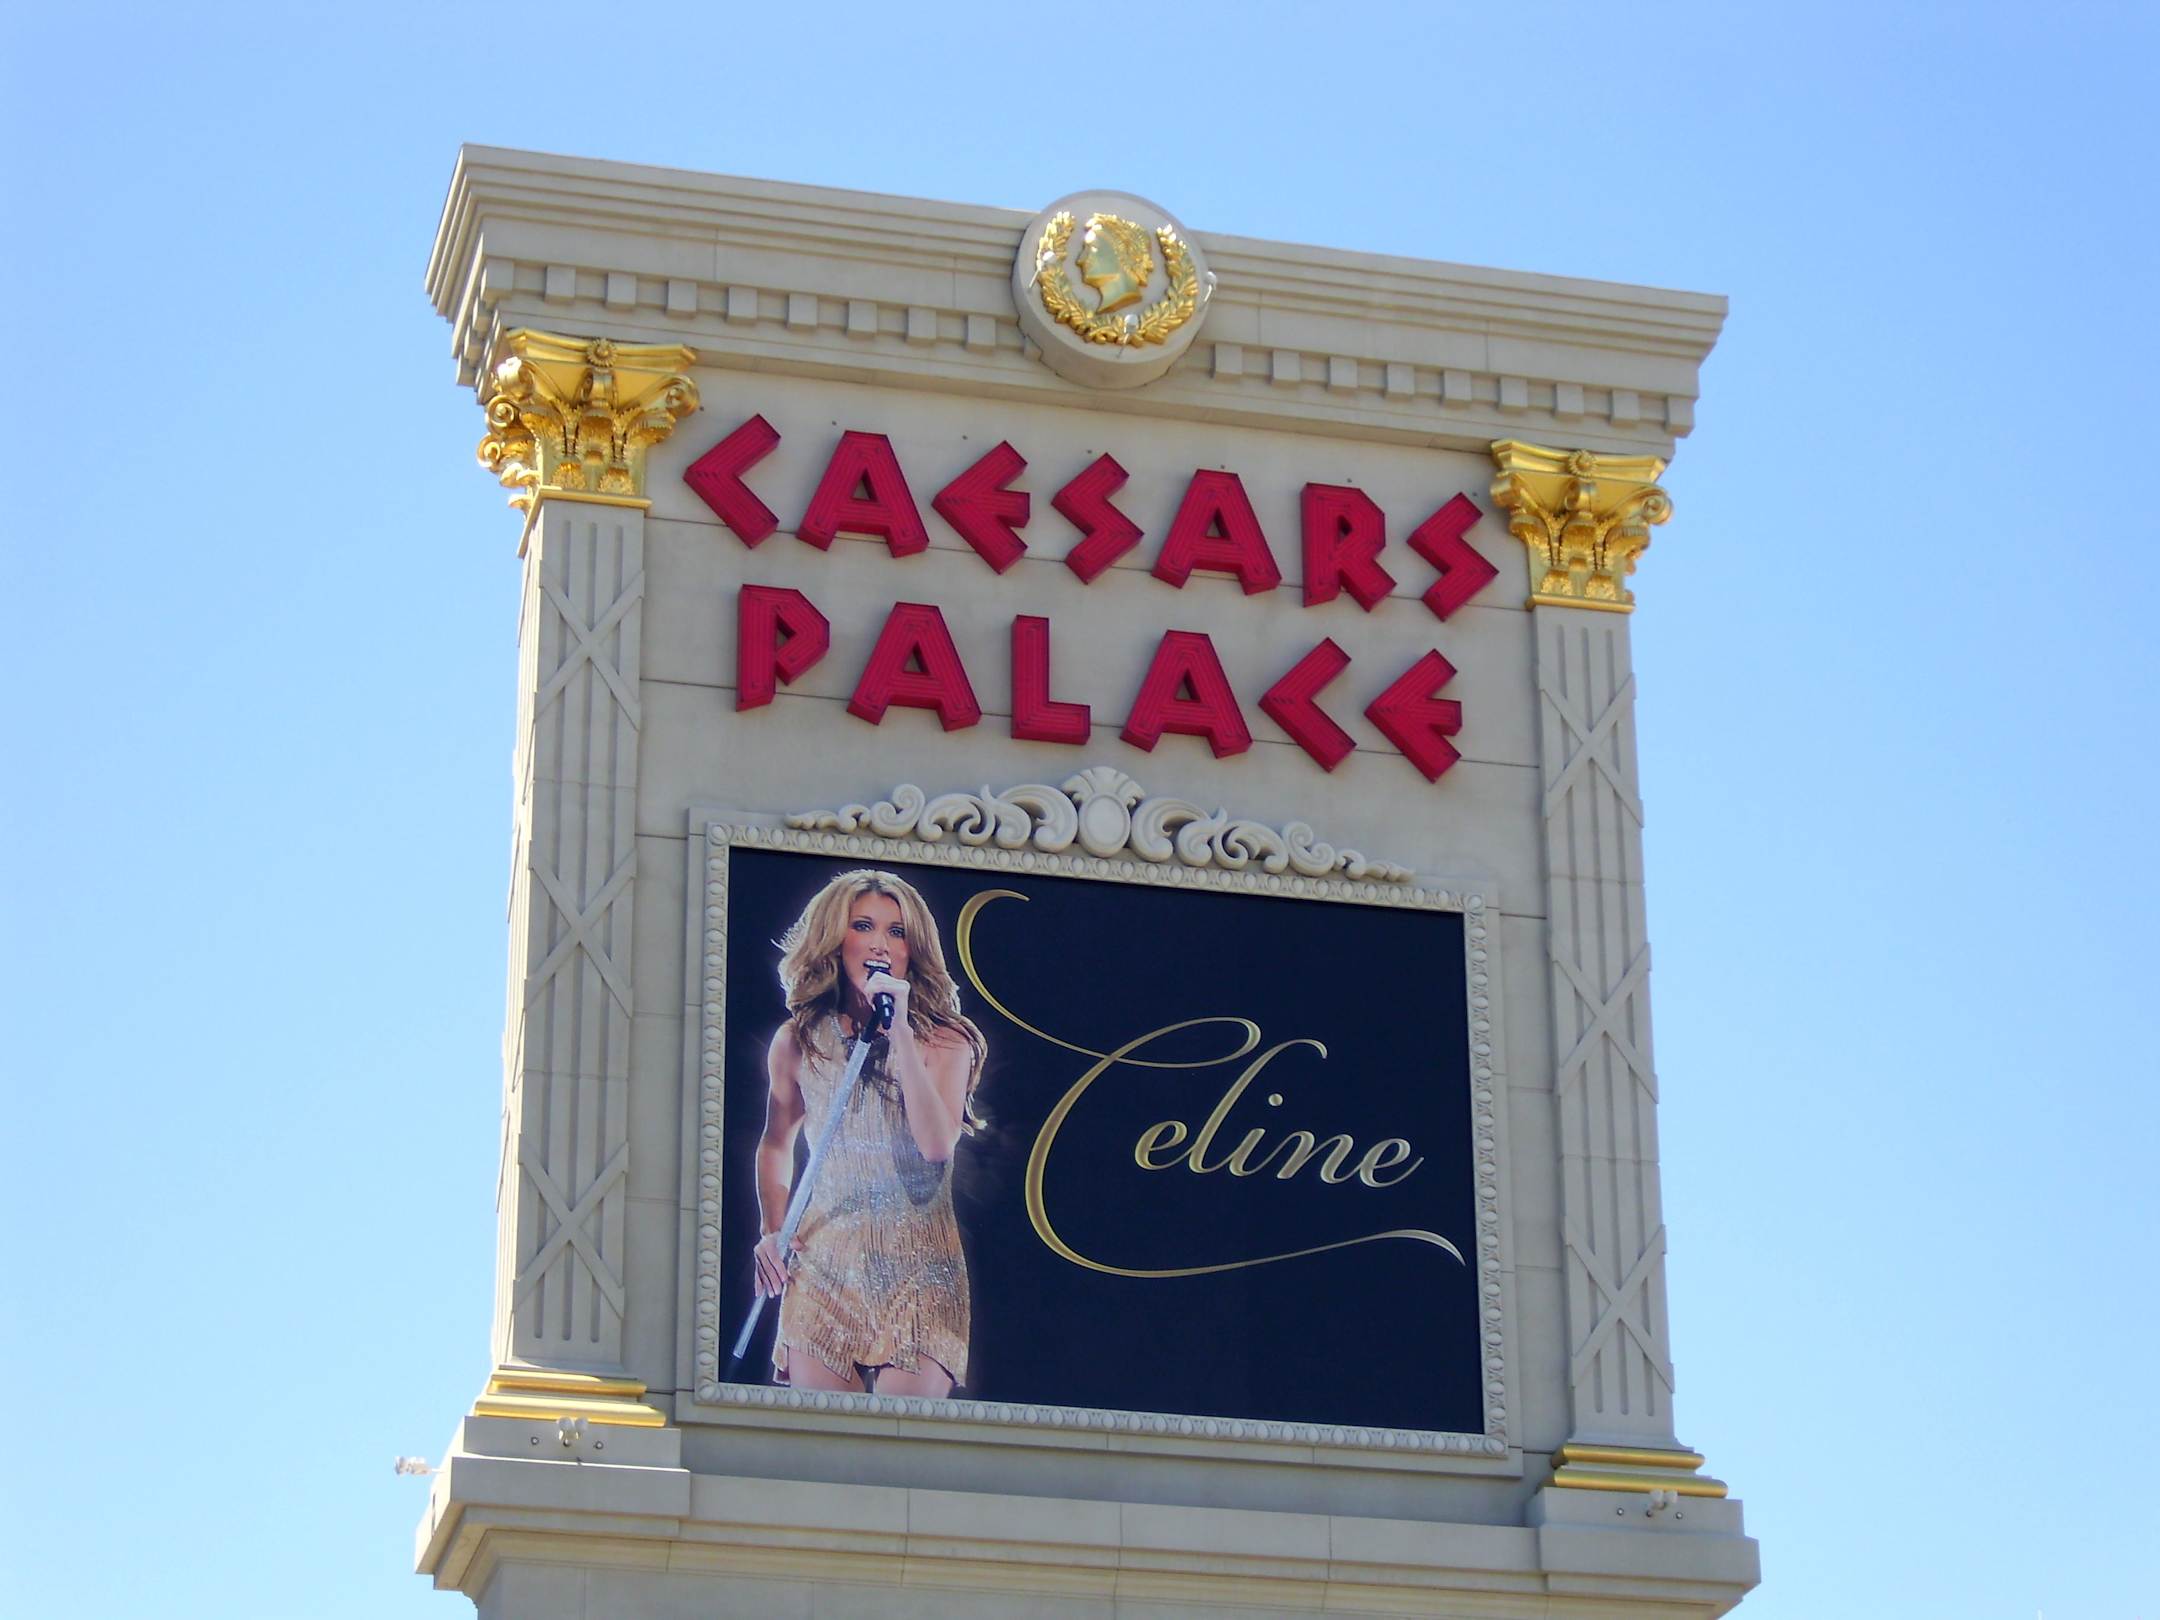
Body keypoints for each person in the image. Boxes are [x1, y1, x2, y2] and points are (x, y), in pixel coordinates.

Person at [751, 869, 986, 1397]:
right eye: (863, 926)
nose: (880, 943)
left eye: (896, 932)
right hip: (824, 1263)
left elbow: (936, 1145)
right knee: (827, 1438)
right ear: (836, 939)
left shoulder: (947, 1041)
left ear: (912, 949)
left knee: (900, 1437)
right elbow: (776, 1140)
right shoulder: (799, 1040)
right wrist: (773, 1229)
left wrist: (899, 1030)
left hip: (921, 1268)